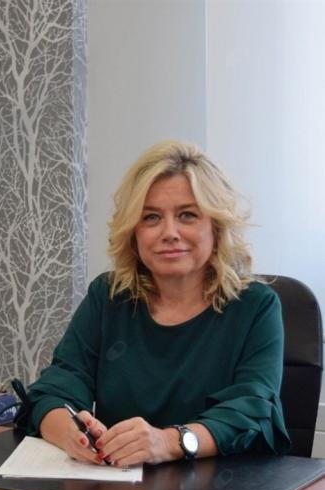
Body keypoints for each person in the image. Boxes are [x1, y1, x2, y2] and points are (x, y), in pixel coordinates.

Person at [24, 140, 291, 467]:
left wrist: (168, 442)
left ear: (216, 227)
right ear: (134, 232)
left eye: (187, 215)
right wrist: (69, 433)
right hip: (120, 486)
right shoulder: (109, 296)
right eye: (151, 217)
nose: (169, 232)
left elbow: (252, 411)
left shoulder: (256, 306)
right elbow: (55, 389)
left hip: (224, 488)